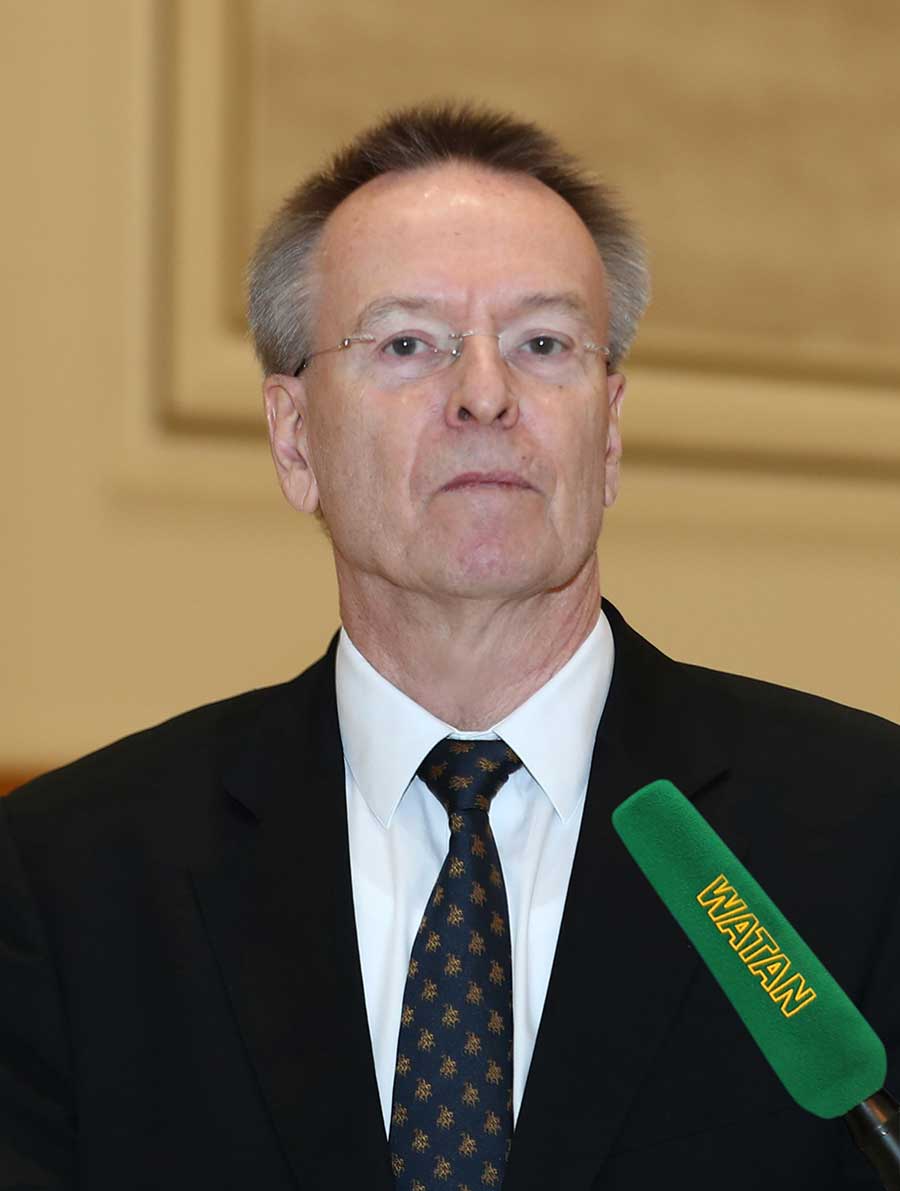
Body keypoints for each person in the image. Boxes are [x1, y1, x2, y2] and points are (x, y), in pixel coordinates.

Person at [1, 102, 897, 1191]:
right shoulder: (71, 879)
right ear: (295, 438)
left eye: (542, 344)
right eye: (408, 344)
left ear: (609, 433)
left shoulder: (867, 834)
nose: (484, 395)